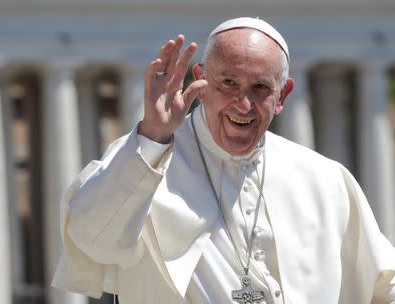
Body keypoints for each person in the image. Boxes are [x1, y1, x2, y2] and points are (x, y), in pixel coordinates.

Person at [52, 17, 395, 304]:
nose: (242, 104)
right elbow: (92, 239)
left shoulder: (325, 179)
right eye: (228, 82)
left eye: (260, 88)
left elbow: (382, 285)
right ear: (201, 81)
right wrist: (153, 136)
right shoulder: (143, 159)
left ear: (282, 95)